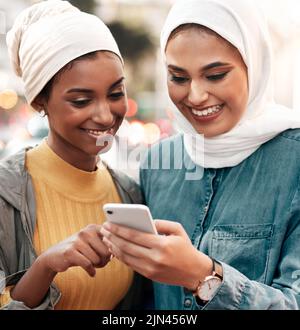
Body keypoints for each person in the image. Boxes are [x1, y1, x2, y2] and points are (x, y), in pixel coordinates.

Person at [100, 0, 300, 309]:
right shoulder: (157, 163)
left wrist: (203, 276)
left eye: (216, 75)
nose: (195, 95)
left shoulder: (294, 161)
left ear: (254, 65)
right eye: (179, 78)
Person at [0, 0, 151, 310]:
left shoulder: (130, 193)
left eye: (115, 94)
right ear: (40, 101)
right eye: (81, 101)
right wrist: (46, 266)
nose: (105, 115)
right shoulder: (5, 193)